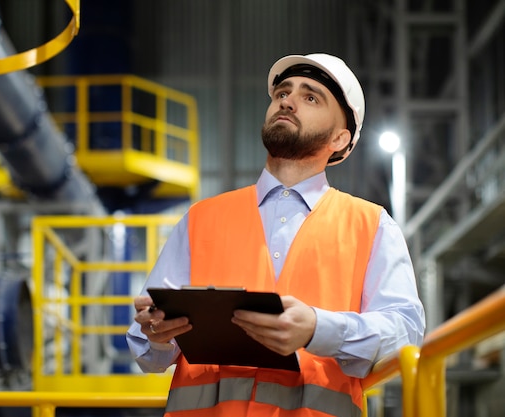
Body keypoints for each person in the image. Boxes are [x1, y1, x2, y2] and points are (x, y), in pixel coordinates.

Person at [126, 53, 425, 417]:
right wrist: (157, 335)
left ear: (339, 137)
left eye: (310, 96)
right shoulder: (200, 219)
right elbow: (148, 352)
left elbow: (406, 333)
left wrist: (318, 329)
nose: (287, 100)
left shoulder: (372, 225)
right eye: (282, 92)